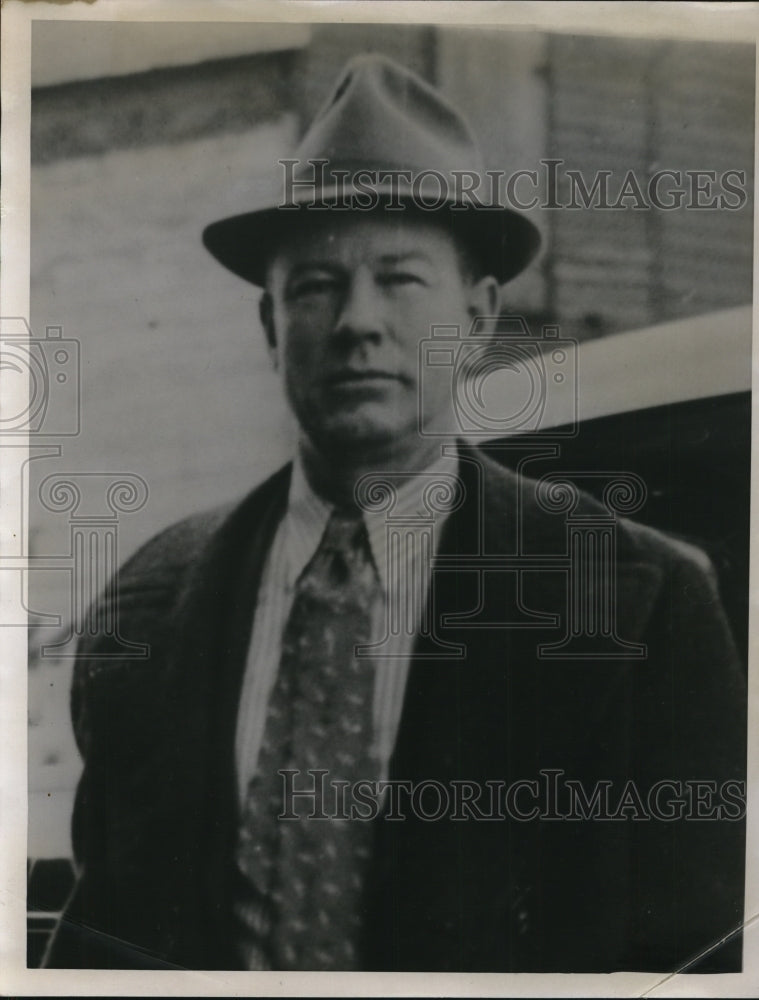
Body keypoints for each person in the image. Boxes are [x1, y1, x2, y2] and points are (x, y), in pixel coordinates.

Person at [45, 54, 746, 973]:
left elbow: (696, 961)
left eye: (401, 279)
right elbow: (109, 949)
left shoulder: (638, 604)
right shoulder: (147, 605)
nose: (355, 322)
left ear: (479, 316)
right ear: (268, 327)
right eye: (315, 287)